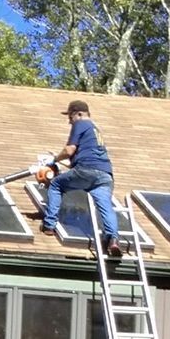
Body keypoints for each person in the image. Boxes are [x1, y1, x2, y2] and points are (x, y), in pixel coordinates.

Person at [41, 99, 122, 257]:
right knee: (105, 206)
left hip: (87, 169)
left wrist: (55, 159)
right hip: (105, 175)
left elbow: (69, 150)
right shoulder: (95, 129)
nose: (69, 121)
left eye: (70, 117)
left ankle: (49, 225)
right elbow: (86, 154)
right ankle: (113, 240)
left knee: (57, 184)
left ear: (78, 114)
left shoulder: (81, 124)